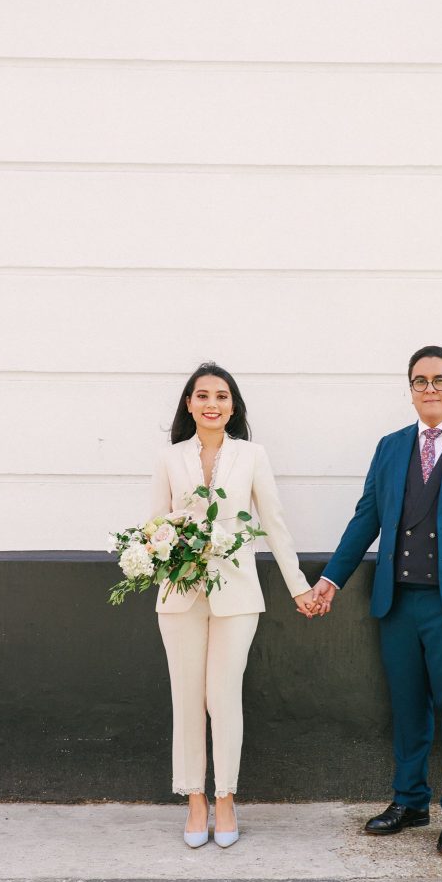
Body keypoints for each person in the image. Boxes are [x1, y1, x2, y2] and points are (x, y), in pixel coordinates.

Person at [311, 345, 442, 855]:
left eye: (440, 380)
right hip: (398, 601)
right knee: (407, 708)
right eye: (420, 381)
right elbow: (366, 518)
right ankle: (409, 802)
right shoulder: (390, 447)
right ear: (410, 390)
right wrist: (331, 579)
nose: (430, 388)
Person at [148, 362, 317, 849]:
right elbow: (154, 525)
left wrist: (298, 586)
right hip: (179, 597)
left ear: (233, 406)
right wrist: (160, 553)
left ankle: (225, 798)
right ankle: (195, 800)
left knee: (222, 697)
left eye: (221, 396)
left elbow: (275, 523)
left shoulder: (252, 456)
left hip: (237, 593)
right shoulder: (169, 458)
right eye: (202, 395)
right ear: (189, 404)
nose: (212, 404)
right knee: (187, 699)